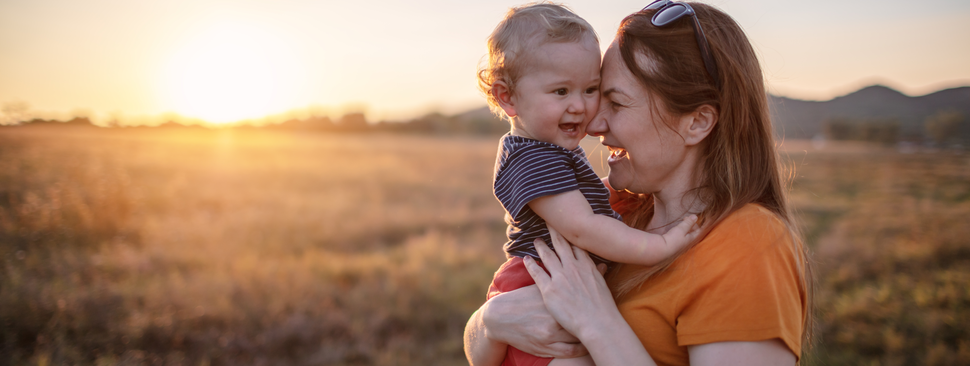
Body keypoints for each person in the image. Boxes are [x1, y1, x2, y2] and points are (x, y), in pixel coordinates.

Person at [465, 1, 813, 365]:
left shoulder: (747, 243)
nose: (593, 124)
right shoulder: (614, 206)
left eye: (612, 102)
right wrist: (491, 320)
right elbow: (482, 348)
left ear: (696, 123)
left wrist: (597, 323)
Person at [475, 3, 700, 366]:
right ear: (508, 97)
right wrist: (660, 245)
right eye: (561, 91)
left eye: (590, 89)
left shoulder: (550, 150)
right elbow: (583, 227)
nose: (580, 107)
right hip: (535, 285)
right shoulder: (532, 158)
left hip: (555, 281)